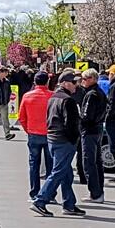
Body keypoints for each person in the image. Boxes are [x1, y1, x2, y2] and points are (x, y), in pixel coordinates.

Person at [31, 73, 85, 217]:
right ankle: (40, 200)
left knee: (66, 173)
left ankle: (69, 204)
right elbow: (71, 124)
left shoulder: (53, 97)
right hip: (63, 140)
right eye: (74, 82)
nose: (76, 85)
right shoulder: (68, 101)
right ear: (65, 83)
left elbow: (49, 119)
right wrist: (74, 138)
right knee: (59, 172)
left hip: (53, 138)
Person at [18, 71, 54, 201]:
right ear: (47, 82)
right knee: (51, 165)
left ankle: (34, 192)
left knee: (34, 165)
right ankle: (49, 193)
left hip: (34, 133)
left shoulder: (27, 96)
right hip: (50, 134)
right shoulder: (53, 96)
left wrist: (28, 130)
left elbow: (21, 117)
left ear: (34, 81)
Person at [79, 68, 107, 203]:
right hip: (97, 129)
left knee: (89, 162)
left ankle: (95, 193)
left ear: (92, 79)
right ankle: (98, 191)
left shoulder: (92, 94)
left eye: (85, 79)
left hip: (90, 130)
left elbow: (87, 115)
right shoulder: (99, 92)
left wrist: (79, 118)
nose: (82, 82)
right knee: (97, 162)